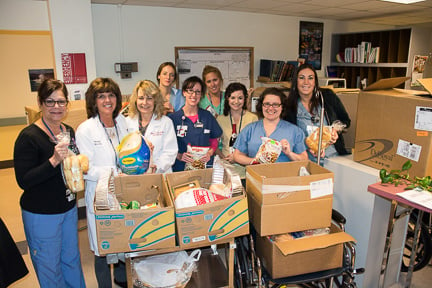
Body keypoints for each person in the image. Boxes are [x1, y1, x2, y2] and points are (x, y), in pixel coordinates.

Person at [13, 79, 86, 287]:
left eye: (61, 102)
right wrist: (53, 161)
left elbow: (73, 162)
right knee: (49, 267)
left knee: (72, 261)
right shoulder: (29, 137)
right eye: (50, 102)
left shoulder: (68, 131)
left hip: (68, 207)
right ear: (40, 102)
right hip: (42, 214)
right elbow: (24, 180)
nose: (56, 107)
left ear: (67, 104)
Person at [76, 77, 129, 288]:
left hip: (123, 191)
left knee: (124, 239)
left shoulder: (123, 122)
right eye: (101, 96)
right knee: (102, 246)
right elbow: (85, 169)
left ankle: (124, 280)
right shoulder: (85, 130)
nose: (107, 100)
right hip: (100, 194)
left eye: (111, 95)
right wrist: (114, 172)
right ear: (94, 101)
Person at [285, 63, 351, 164]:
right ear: (296, 82)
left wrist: (335, 129)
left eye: (310, 78)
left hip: (334, 158)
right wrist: (309, 146)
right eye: (302, 78)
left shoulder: (327, 97)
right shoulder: (289, 107)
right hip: (307, 160)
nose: (306, 82)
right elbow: (289, 138)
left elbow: (346, 121)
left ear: (315, 81)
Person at [233, 87, 308, 165]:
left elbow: (304, 159)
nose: (270, 108)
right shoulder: (250, 129)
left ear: (282, 107)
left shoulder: (295, 131)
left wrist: (289, 153)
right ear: (261, 106)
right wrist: (255, 161)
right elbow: (237, 155)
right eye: (267, 104)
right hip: (256, 175)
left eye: (275, 104)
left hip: (283, 176)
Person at [168, 76, 223, 172]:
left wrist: (210, 153)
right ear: (184, 93)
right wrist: (178, 155)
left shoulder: (207, 116)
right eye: (190, 91)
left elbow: (214, 138)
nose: (194, 95)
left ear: (201, 95)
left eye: (198, 92)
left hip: (204, 167)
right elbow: (167, 145)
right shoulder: (173, 119)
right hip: (181, 167)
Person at [125, 80, 178, 173]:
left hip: (159, 174)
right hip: (133, 174)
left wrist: (155, 167)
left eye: (149, 98)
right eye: (141, 98)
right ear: (135, 100)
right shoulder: (127, 122)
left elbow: (170, 152)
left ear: (155, 101)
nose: (144, 103)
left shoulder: (166, 122)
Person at [216, 82, 258, 163]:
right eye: (233, 98)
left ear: (245, 99)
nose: (236, 101)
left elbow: (254, 146)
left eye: (240, 98)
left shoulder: (252, 118)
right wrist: (223, 157)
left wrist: (237, 158)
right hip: (226, 164)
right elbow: (213, 143)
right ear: (227, 98)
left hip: (246, 163)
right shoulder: (220, 119)